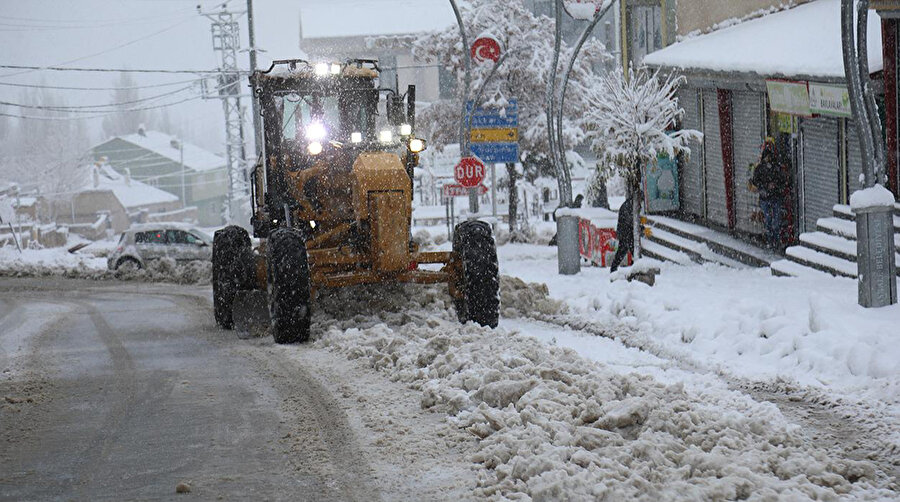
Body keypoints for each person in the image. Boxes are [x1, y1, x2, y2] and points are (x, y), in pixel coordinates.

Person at [751, 139, 787, 249]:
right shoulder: (761, 168)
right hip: (767, 198)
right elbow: (756, 182)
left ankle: (774, 241)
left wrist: (774, 186)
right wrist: (767, 186)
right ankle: (772, 240)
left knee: (774, 221)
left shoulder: (775, 168)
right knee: (769, 221)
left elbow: (782, 181)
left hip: (774, 197)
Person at [610, 195, 634, 272]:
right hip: (626, 234)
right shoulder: (628, 206)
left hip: (625, 233)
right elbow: (629, 222)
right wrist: (639, 227)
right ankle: (613, 268)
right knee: (623, 251)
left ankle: (614, 268)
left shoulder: (628, 205)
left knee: (622, 252)